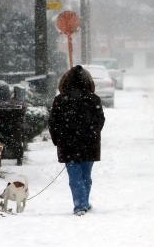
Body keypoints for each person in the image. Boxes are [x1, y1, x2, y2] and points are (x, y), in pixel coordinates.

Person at [49, 65, 105, 216]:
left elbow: (53, 122)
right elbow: (100, 121)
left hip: (68, 145)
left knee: (75, 177)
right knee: (86, 175)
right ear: (88, 82)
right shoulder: (93, 99)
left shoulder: (60, 100)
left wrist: (58, 139)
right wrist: (92, 134)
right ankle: (83, 203)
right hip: (89, 144)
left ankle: (80, 204)